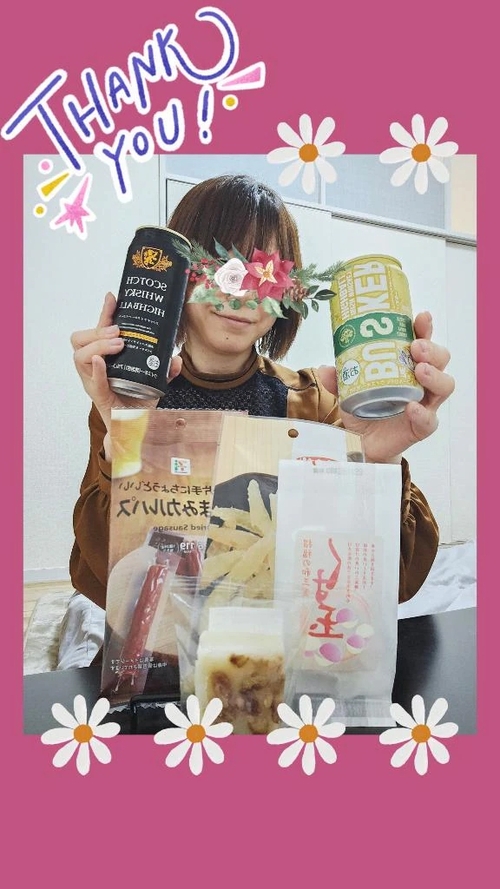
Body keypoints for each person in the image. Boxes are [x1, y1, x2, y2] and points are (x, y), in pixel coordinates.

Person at [69, 174, 454, 622]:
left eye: (264, 273)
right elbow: (102, 581)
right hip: (166, 648)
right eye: (218, 264)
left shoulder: (313, 405)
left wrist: (378, 463)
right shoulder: (129, 399)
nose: (240, 291)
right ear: (179, 274)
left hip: (288, 650)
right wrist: (126, 436)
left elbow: (395, 582)